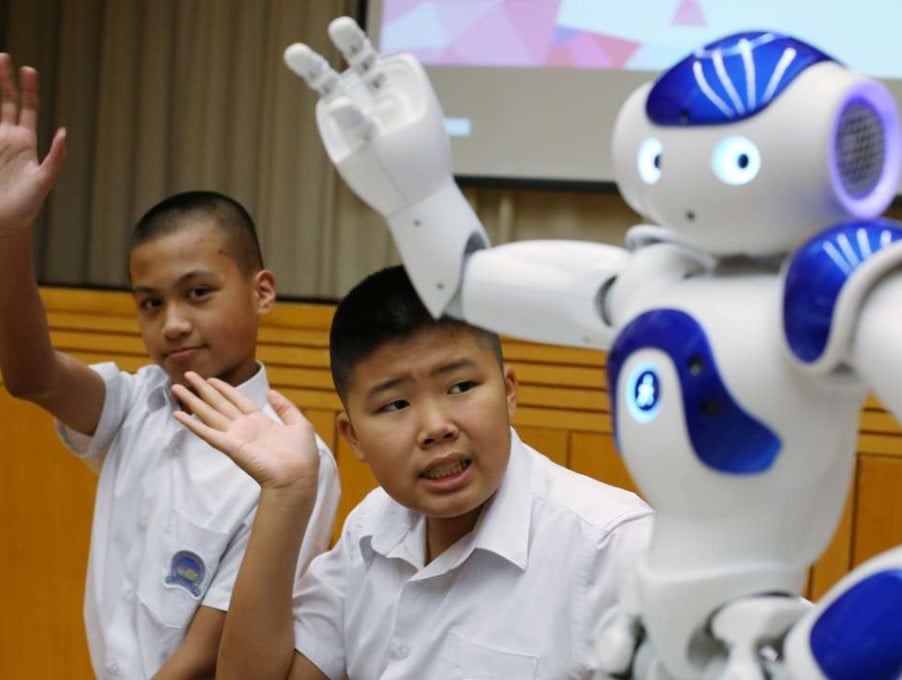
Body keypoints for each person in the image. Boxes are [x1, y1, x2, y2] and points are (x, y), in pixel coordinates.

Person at [0, 53, 340, 679]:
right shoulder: (136, 404)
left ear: (261, 291)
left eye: (198, 293)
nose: (173, 323)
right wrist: (10, 231)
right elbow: (30, 376)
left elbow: (205, 654)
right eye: (151, 304)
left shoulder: (295, 456)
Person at [171, 264, 653, 679]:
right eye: (395, 403)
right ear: (352, 435)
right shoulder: (371, 530)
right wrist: (285, 494)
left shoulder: (613, 547)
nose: (435, 427)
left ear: (509, 392)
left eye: (461, 386)